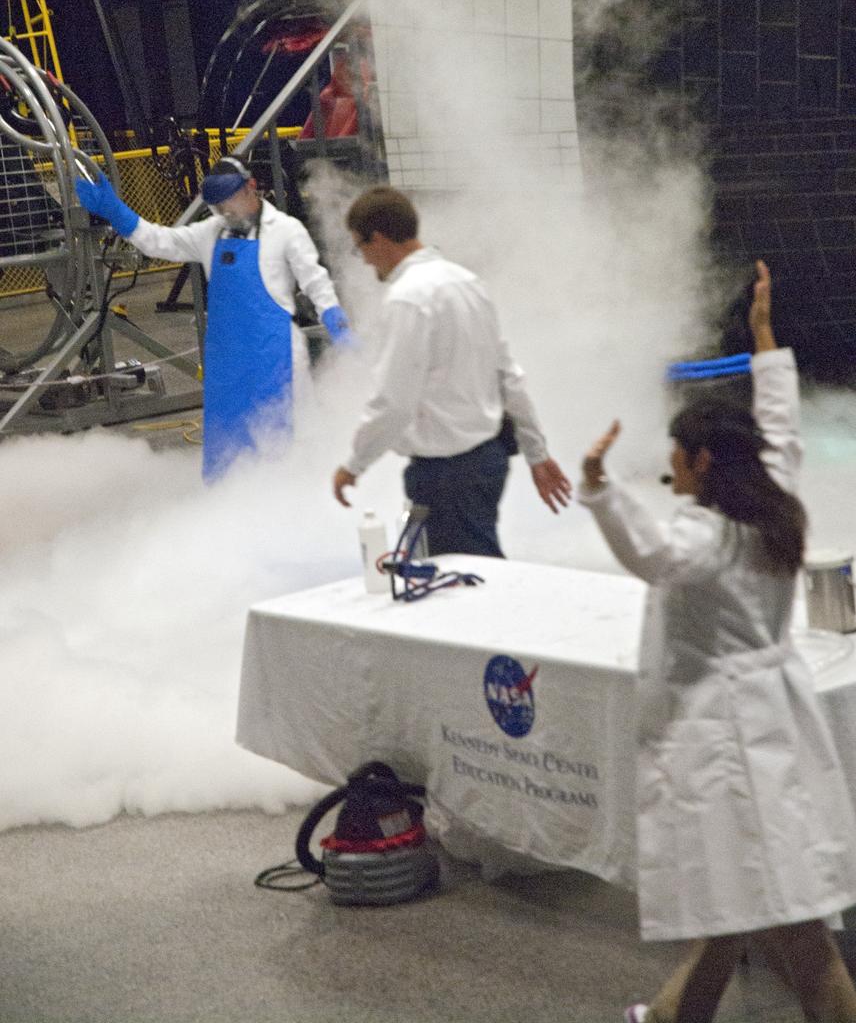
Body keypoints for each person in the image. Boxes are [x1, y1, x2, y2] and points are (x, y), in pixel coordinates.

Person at [579, 260, 856, 1023]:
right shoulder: (775, 499)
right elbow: (782, 427)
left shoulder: (706, 536)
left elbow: (653, 556)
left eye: (676, 454)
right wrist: (765, 338)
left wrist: (598, 486)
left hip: (732, 748)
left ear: (700, 461)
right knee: (734, 914)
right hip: (772, 725)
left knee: (783, 926)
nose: (669, 467)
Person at [76, 156, 352, 481]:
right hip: (227, 364)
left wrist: (336, 319)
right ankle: (229, 509)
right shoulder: (211, 233)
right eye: (218, 207)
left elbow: (315, 280)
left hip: (275, 359)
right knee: (229, 448)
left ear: (250, 188)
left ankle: (296, 502)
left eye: (229, 203)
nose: (225, 213)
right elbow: (160, 242)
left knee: (290, 438)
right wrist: (117, 212)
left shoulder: (286, 232)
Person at [332, 185, 571, 556]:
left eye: (360, 247)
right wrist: (537, 453)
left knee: (464, 587)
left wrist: (354, 464)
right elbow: (509, 377)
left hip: (447, 474)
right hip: (488, 462)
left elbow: (394, 401)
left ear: (378, 239)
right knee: (469, 575)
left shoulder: (408, 299)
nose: (363, 260)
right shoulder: (468, 283)